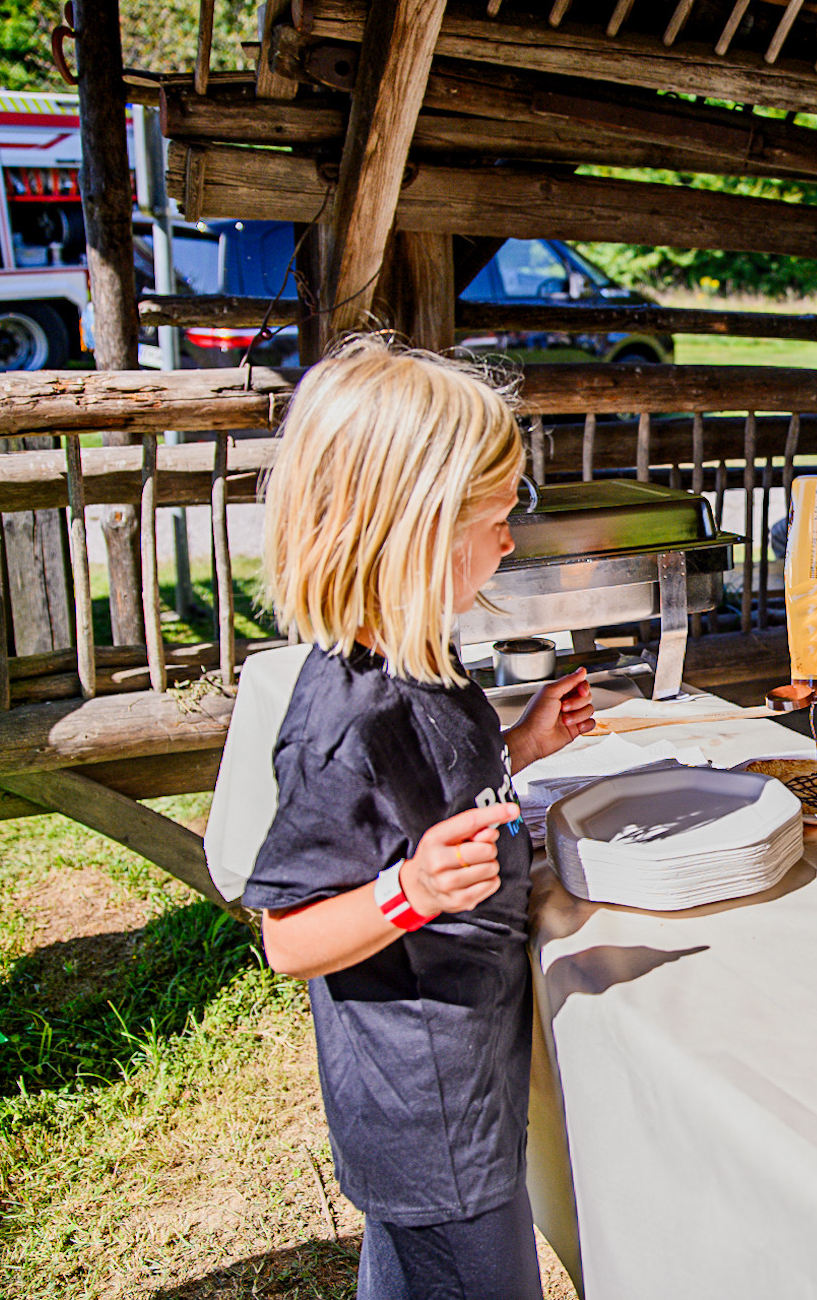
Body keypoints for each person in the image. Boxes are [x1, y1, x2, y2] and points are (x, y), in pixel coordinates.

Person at [242, 337, 596, 1300]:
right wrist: (410, 891)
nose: (510, 541)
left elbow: (441, 788)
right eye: (496, 518)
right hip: (424, 1104)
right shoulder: (342, 721)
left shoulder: (424, 654)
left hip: (467, 1062)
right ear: (418, 529)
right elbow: (287, 937)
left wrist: (521, 744)